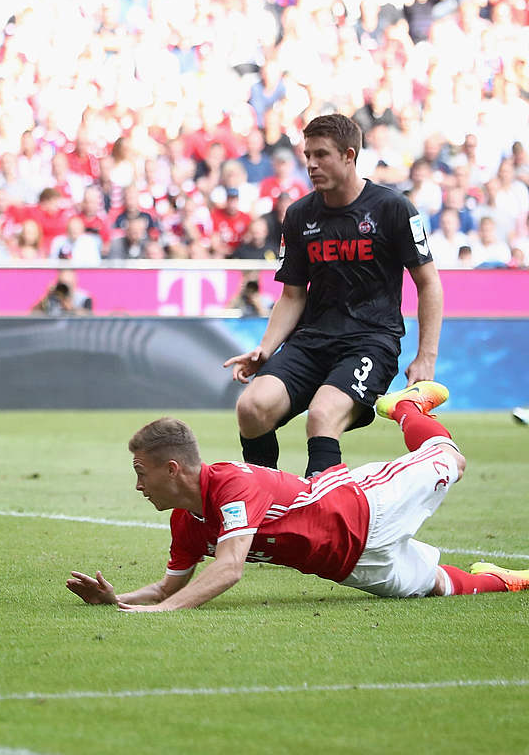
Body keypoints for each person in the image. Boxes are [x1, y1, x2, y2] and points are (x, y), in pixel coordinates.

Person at [65, 384, 527, 612]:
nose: (138, 487)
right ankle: (507, 580)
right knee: (439, 586)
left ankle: (406, 407)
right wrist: (117, 600)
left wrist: (158, 615)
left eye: (141, 474)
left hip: (367, 507)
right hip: (348, 566)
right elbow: (169, 588)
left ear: (172, 470)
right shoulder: (185, 521)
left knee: (450, 457)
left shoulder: (230, 484)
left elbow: (228, 569)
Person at [224, 114, 443, 479]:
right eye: (307, 154)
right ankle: (264, 506)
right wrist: (265, 348)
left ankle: (321, 518)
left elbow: (429, 283)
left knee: (322, 414)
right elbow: (292, 295)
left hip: (371, 342)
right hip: (312, 342)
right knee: (251, 407)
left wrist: (426, 357)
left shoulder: (393, 208)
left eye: (321, 154)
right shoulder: (298, 216)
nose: (310, 164)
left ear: (349, 155)